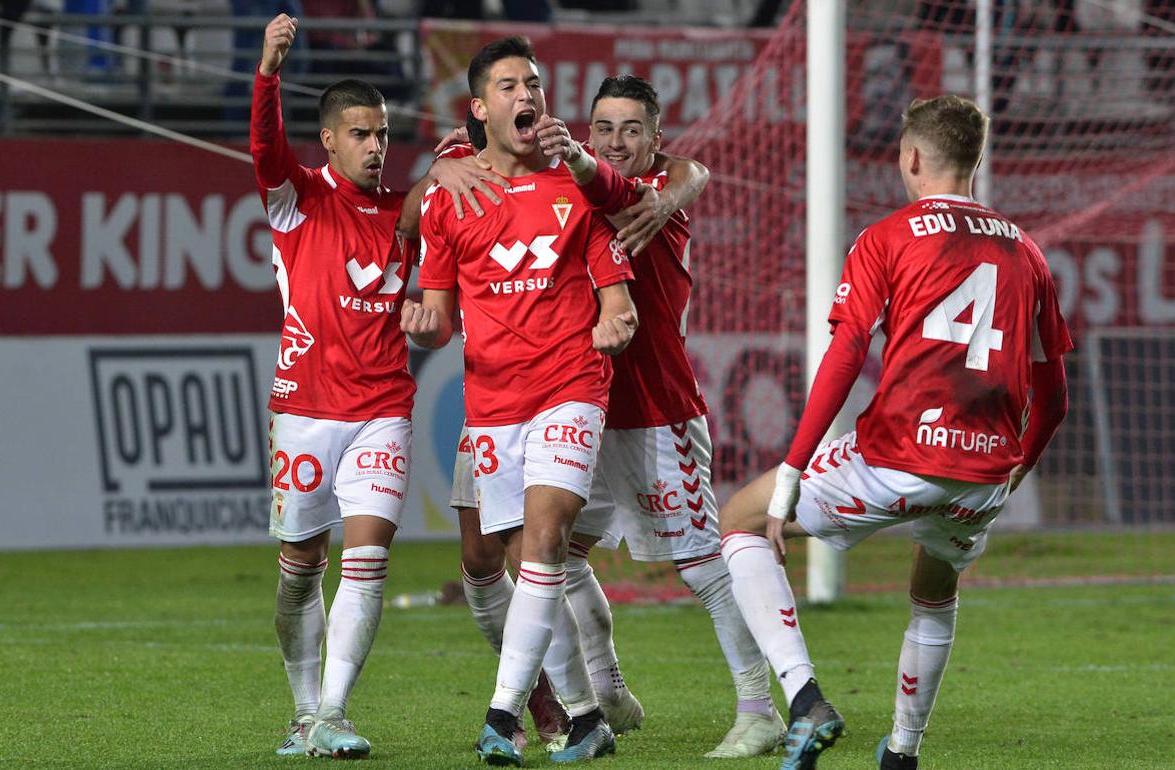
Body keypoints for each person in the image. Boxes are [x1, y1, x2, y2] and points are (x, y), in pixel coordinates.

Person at [715, 95, 1071, 770]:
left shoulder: (888, 237)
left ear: (911, 157)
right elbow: (1053, 399)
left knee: (739, 518)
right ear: (977, 159)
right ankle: (903, 751)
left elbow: (846, 358)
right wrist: (1015, 469)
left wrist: (792, 470)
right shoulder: (1029, 254)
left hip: (891, 459)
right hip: (985, 471)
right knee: (935, 592)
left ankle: (805, 698)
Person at [251, 14, 501, 759]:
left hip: (382, 413)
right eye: (360, 134)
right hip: (302, 411)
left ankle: (332, 710)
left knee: (367, 560)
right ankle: (303, 713)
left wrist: (455, 162)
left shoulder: (404, 215)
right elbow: (265, 147)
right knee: (300, 572)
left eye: (382, 134)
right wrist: (270, 70)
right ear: (329, 138)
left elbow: (439, 202)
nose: (373, 146)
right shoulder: (296, 200)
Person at [530, 74, 788, 759]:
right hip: (582, 409)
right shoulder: (574, 192)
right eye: (604, 128)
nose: (617, 141)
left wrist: (665, 179)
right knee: (554, 550)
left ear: (655, 142)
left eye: (632, 130)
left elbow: (680, 174)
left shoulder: (649, 203)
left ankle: (760, 709)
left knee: (702, 565)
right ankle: (610, 692)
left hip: (654, 413)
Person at [404, 35, 637, 766]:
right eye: (507, 85)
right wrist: (421, 323)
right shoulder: (450, 197)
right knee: (521, 556)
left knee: (545, 540)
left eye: (532, 83)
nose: (525, 95)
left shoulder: (578, 183)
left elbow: (619, 298)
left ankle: (503, 715)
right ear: (480, 108)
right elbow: (439, 315)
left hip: (569, 388)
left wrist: (615, 319)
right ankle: (584, 715)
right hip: (494, 403)